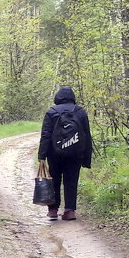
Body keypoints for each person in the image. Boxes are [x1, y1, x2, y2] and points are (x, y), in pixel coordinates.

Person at [38, 86, 92, 221]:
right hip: (75, 153)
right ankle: (69, 210)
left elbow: (46, 135)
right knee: (71, 180)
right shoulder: (80, 112)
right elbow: (86, 135)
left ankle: (53, 209)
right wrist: (86, 158)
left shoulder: (51, 112)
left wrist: (42, 156)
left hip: (54, 154)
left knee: (54, 180)